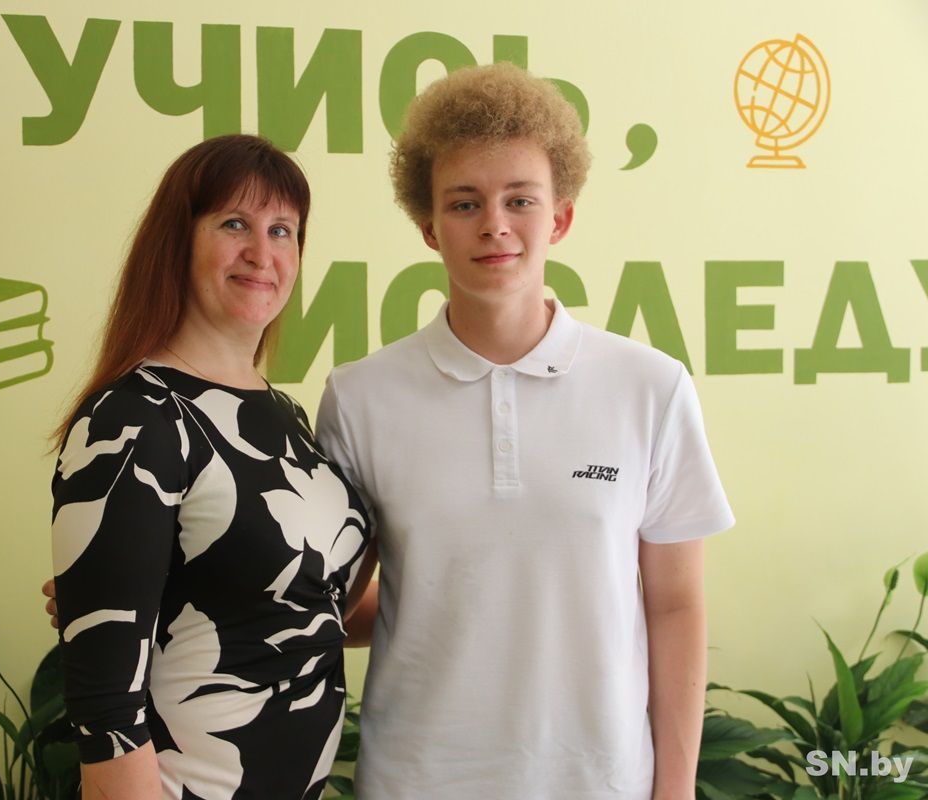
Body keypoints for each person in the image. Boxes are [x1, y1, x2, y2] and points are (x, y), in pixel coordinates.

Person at [314, 62, 733, 799]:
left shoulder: (651, 387)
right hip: (417, 780)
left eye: (520, 200)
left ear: (560, 218)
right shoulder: (360, 398)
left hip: (603, 781)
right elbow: (331, 605)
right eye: (465, 203)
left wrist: (674, 790)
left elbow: (675, 605)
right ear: (429, 227)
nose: (494, 225)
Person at [48, 134, 373, 800]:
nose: (262, 253)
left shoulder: (286, 417)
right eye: (234, 224)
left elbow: (321, 610)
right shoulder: (136, 415)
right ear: (178, 241)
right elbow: (106, 710)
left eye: (282, 230)